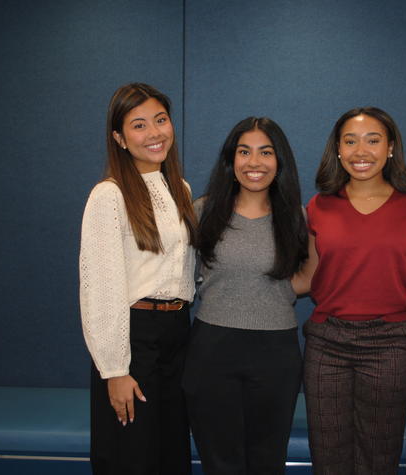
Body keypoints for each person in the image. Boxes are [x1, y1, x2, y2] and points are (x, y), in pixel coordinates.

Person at [292, 107, 406, 475]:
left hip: (391, 344)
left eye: (373, 140)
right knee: (328, 457)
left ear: (391, 147)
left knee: (378, 459)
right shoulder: (319, 206)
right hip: (327, 343)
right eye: (350, 141)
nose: (360, 151)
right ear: (337, 149)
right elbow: (308, 277)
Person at [79, 83, 196, 475]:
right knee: (132, 456)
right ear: (120, 138)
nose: (154, 133)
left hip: (178, 334)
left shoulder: (180, 189)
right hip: (133, 339)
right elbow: (100, 287)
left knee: (170, 453)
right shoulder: (108, 195)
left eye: (160, 120)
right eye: (139, 125)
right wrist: (114, 369)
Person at [182, 117, 307, 474]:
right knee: (221, 463)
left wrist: (273, 289)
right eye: (244, 152)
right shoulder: (202, 211)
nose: (254, 162)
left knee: (267, 462)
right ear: (230, 159)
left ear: (279, 161)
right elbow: (182, 277)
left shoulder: (296, 219)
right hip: (212, 350)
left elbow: (309, 278)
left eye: (266, 153)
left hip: (275, 354)